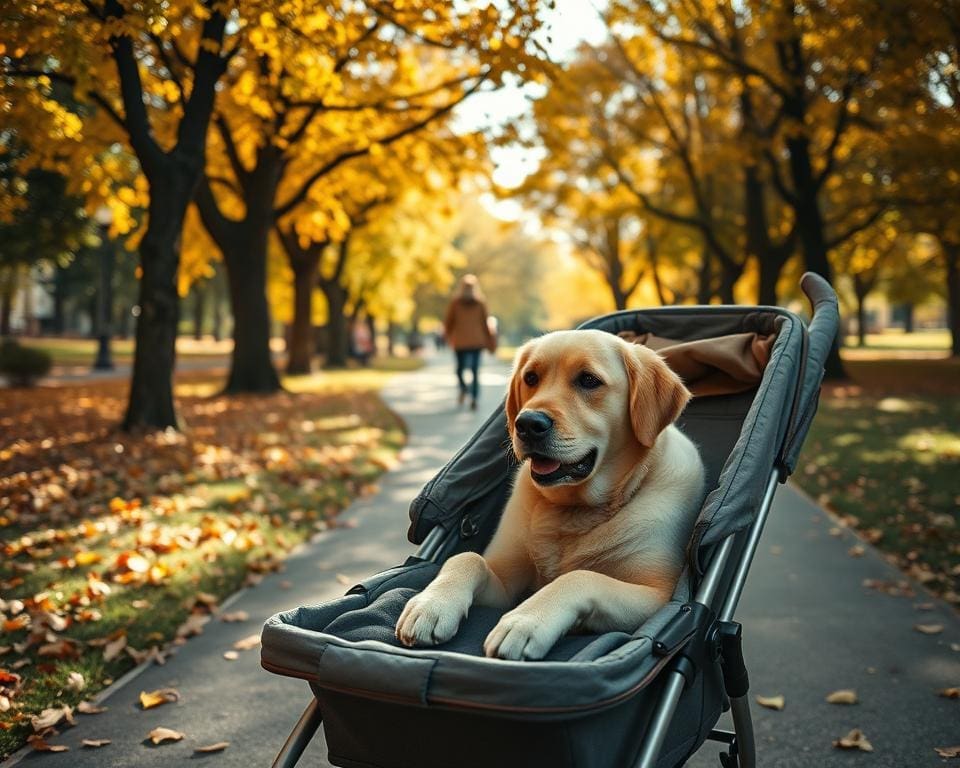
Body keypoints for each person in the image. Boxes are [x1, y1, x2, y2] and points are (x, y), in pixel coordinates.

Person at [444, 274, 494, 410]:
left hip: (467, 342)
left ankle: (470, 395)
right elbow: (450, 322)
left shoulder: (478, 303)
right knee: (469, 371)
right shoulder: (458, 303)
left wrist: (447, 336)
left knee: (466, 370)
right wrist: (490, 341)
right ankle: (470, 393)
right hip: (467, 342)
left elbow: (485, 323)